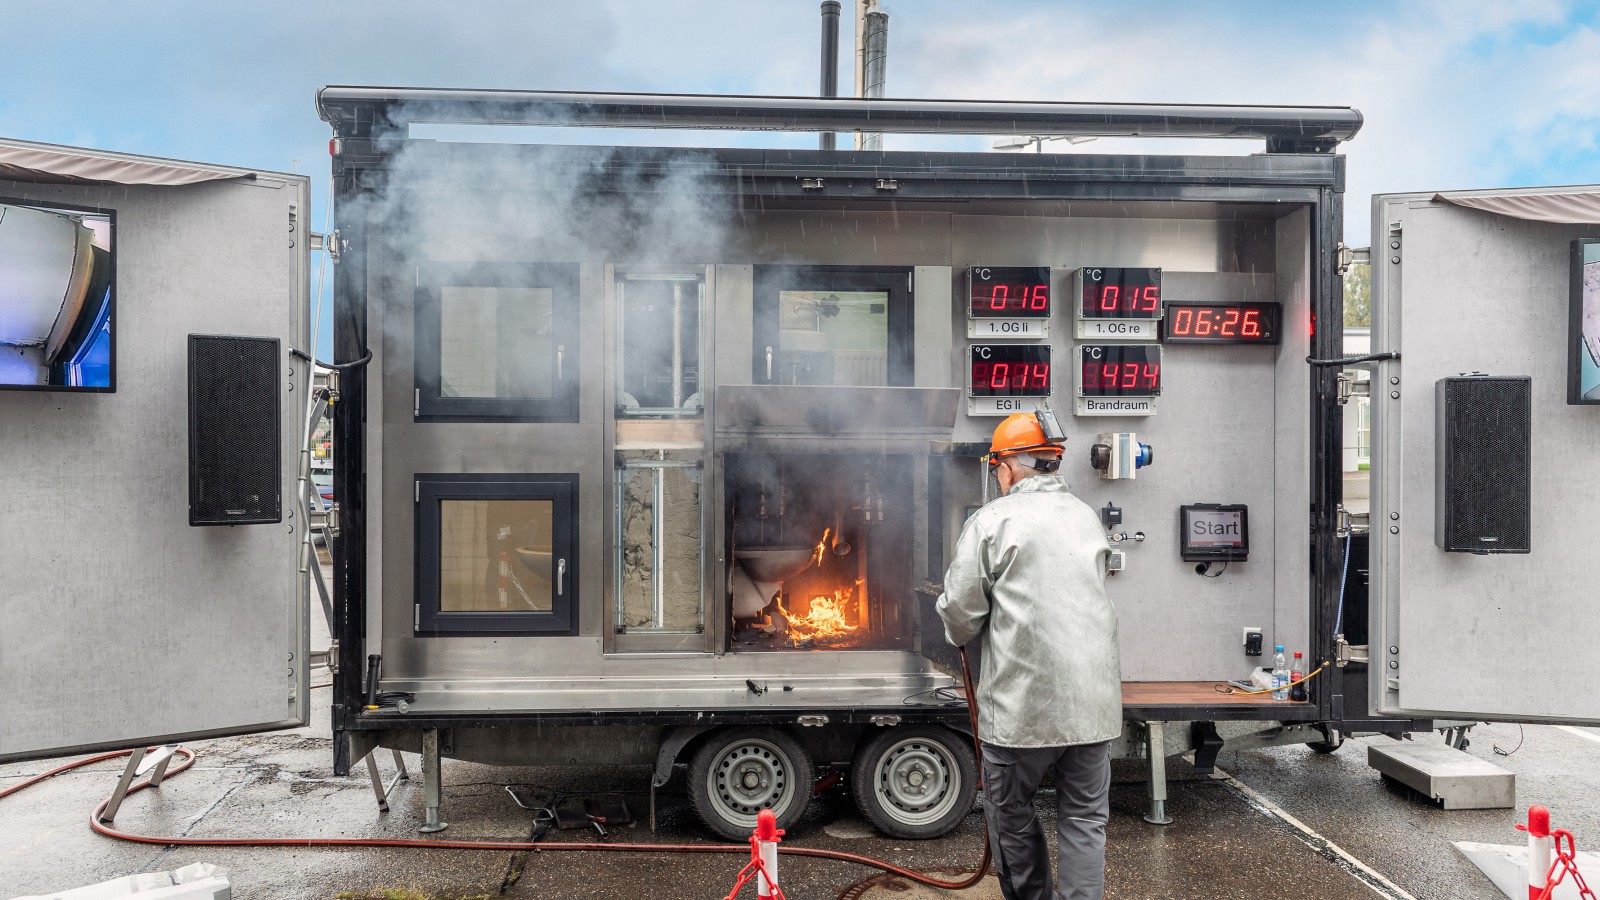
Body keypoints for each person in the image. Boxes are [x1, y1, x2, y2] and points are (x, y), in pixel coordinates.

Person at [937, 412, 1121, 900]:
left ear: (1007, 468)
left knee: (1011, 813)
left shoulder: (993, 521)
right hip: (1093, 706)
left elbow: (960, 612)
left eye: (996, 467)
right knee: (1084, 819)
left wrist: (955, 626)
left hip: (1024, 708)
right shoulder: (1085, 516)